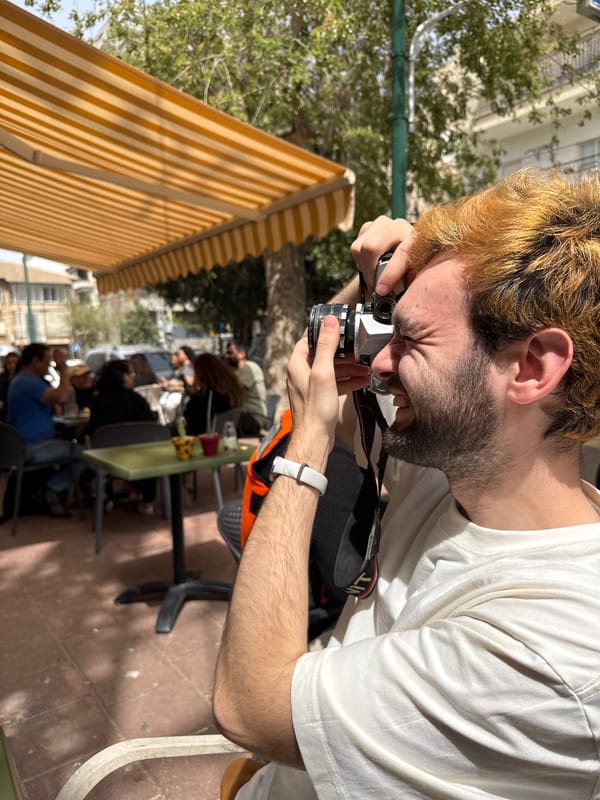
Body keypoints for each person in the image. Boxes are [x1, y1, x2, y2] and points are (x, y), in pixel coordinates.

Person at [213, 169, 600, 799]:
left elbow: (246, 705)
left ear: (530, 367)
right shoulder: (458, 471)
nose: (380, 362)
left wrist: (303, 443)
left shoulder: (558, 644)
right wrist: (375, 289)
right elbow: (320, 362)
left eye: (411, 338)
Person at [7, 343, 84, 517]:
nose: (50, 365)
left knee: (71, 448)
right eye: (47, 361)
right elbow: (63, 397)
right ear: (35, 361)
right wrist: (63, 368)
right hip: (33, 448)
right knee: (84, 454)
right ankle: (53, 488)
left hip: (31, 445)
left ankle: (55, 491)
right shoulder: (28, 382)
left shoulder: (23, 381)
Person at [88, 359, 158, 515]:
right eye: (130, 373)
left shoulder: (98, 401)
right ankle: (147, 500)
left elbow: (93, 429)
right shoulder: (136, 400)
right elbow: (150, 425)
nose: (133, 376)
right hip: (139, 458)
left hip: (105, 459)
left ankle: (107, 495)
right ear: (121, 377)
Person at [183, 352, 245, 435]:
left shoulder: (204, 398)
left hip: (206, 438)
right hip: (227, 434)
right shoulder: (230, 391)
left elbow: (191, 422)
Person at [224, 341, 268, 435]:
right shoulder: (237, 371)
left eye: (230, 353)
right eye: (226, 353)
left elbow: (234, 392)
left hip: (253, 416)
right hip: (241, 414)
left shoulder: (250, 368)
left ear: (242, 354)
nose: (226, 356)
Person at [0, 350, 19, 421]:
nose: (12, 366)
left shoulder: (23, 379)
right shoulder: (2, 378)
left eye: (15, 363)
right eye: (9, 363)